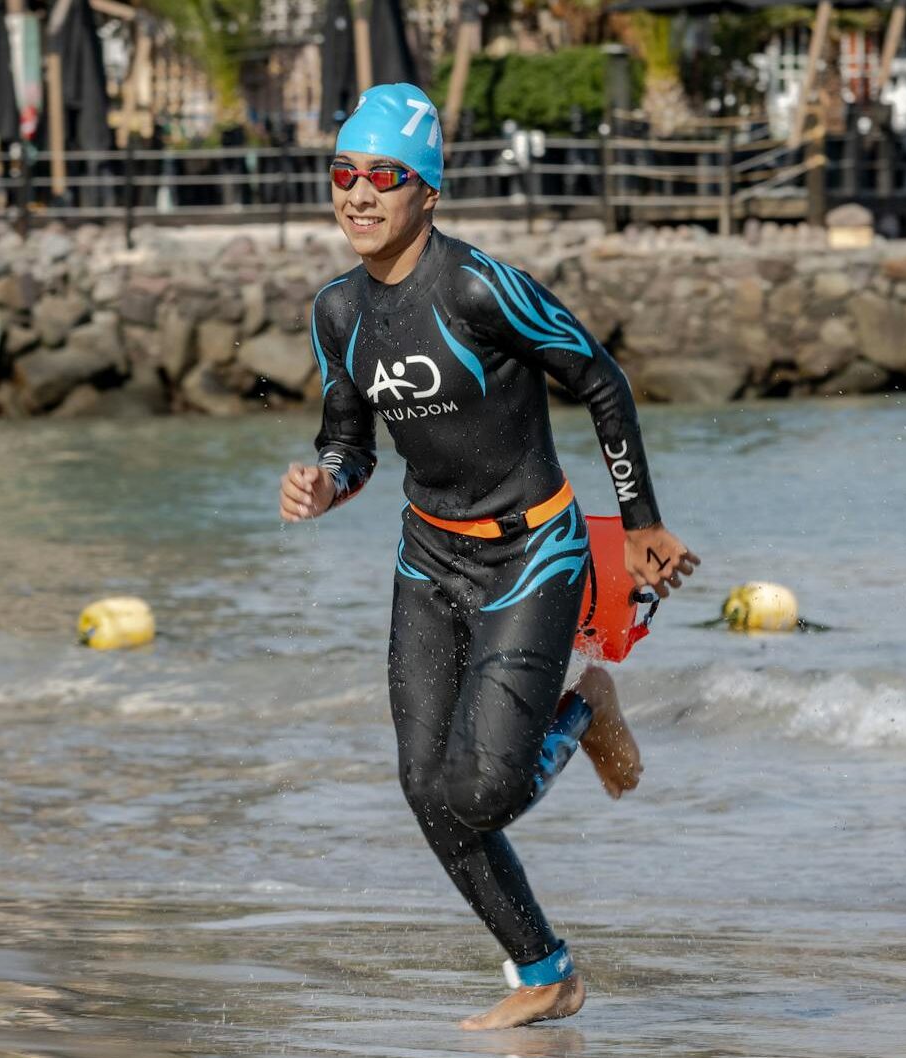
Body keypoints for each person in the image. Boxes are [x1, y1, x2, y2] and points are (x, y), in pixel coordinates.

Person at [277, 84, 699, 1031]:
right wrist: (324, 483)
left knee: (485, 791)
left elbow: (600, 376)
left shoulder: (478, 286)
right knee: (427, 791)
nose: (357, 194)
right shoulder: (338, 312)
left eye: (383, 176)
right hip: (428, 561)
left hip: (533, 556)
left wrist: (638, 524)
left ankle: (583, 708)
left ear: (428, 191)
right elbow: (351, 442)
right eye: (342, 173)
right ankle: (545, 969)